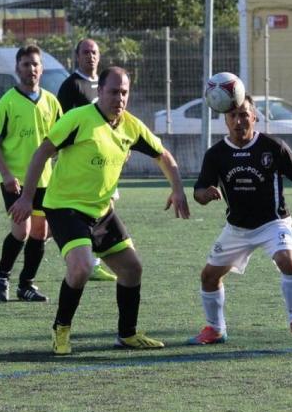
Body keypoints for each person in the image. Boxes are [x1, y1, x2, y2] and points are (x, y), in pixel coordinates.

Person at [11, 66, 191, 355]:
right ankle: (61, 329)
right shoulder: (78, 119)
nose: (119, 98)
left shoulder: (131, 125)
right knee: (81, 267)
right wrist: (26, 198)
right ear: (99, 92)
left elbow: (164, 156)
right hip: (65, 207)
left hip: (102, 211)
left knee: (132, 268)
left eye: (124, 92)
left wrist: (178, 189)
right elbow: (42, 152)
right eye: (113, 92)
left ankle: (127, 334)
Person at [187, 95, 292, 346]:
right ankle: (215, 329)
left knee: (286, 259)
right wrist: (204, 194)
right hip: (237, 228)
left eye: (244, 114)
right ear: (225, 120)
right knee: (208, 277)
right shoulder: (216, 154)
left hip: (274, 223)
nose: (239, 120)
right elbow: (199, 192)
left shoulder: (273, 147)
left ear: (254, 117)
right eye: (233, 115)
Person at [0, 45, 62, 302]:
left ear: (41, 69)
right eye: (25, 64)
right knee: (21, 231)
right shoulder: (7, 102)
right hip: (15, 181)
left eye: (35, 64)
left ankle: (26, 285)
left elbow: (63, 140)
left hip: (45, 179)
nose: (31, 69)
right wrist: (7, 175)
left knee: (40, 233)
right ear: (17, 68)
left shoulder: (51, 102)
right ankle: (2, 276)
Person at [54, 38, 119, 283]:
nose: (90, 56)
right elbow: (61, 123)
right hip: (81, 164)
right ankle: (82, 257)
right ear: (77, 56)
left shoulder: (103, 84)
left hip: (106, 159)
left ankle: (94, 261)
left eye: (94, 52)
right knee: (85, 210)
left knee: (107, 206)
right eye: (85, 52)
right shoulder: (71, 85)